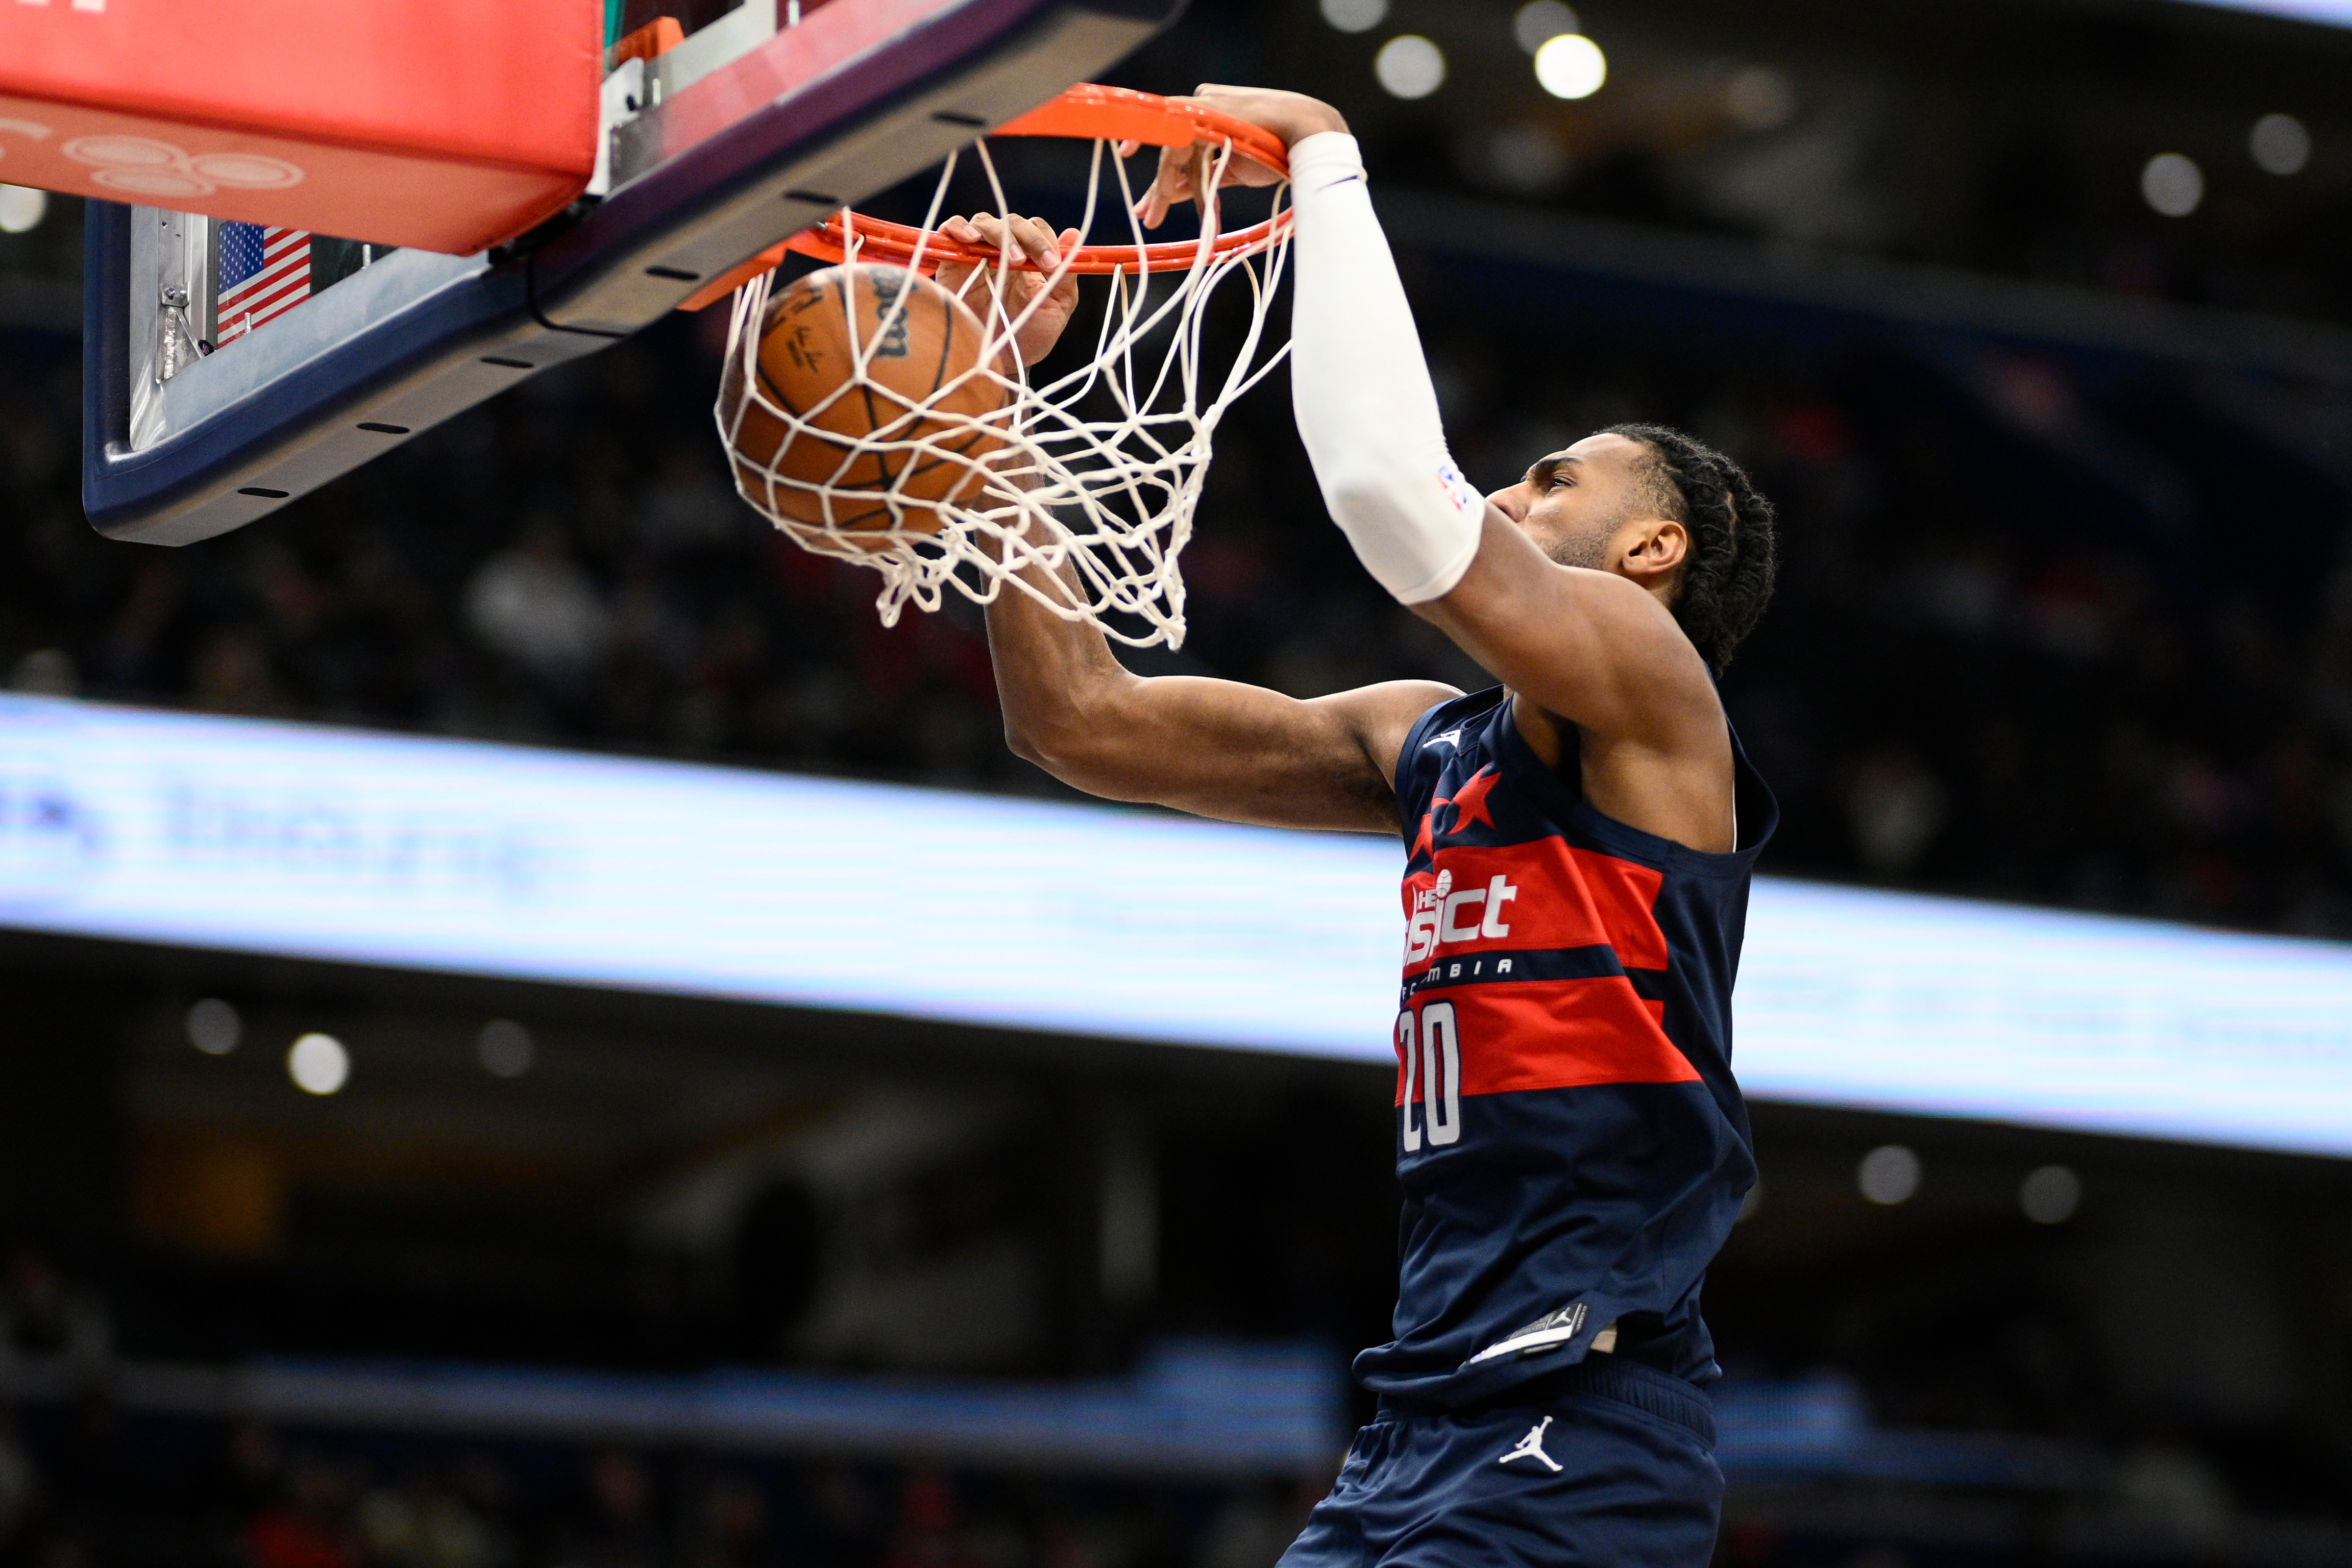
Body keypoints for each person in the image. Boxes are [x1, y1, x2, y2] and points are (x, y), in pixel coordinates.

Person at [945, 84, 1778, 1568]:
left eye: (1553, 478)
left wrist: (1322, 156)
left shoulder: (1661, 691)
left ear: (1654, 549)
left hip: (1583, 1415)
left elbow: (1395, 492)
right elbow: (1077, 721)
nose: (1512, 495)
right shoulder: (1425, 738)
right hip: (1415, 1427)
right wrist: (998, 399)